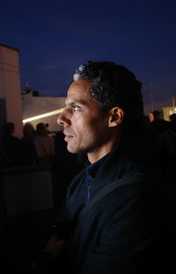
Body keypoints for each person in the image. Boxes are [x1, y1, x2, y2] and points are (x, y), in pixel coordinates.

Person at [38, 61, 174, 274]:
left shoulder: (138, 198)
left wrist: (47, 261)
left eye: (75, 108)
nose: (61, 118)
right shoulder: (82, 180)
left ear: (113, 117)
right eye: (65, 107)